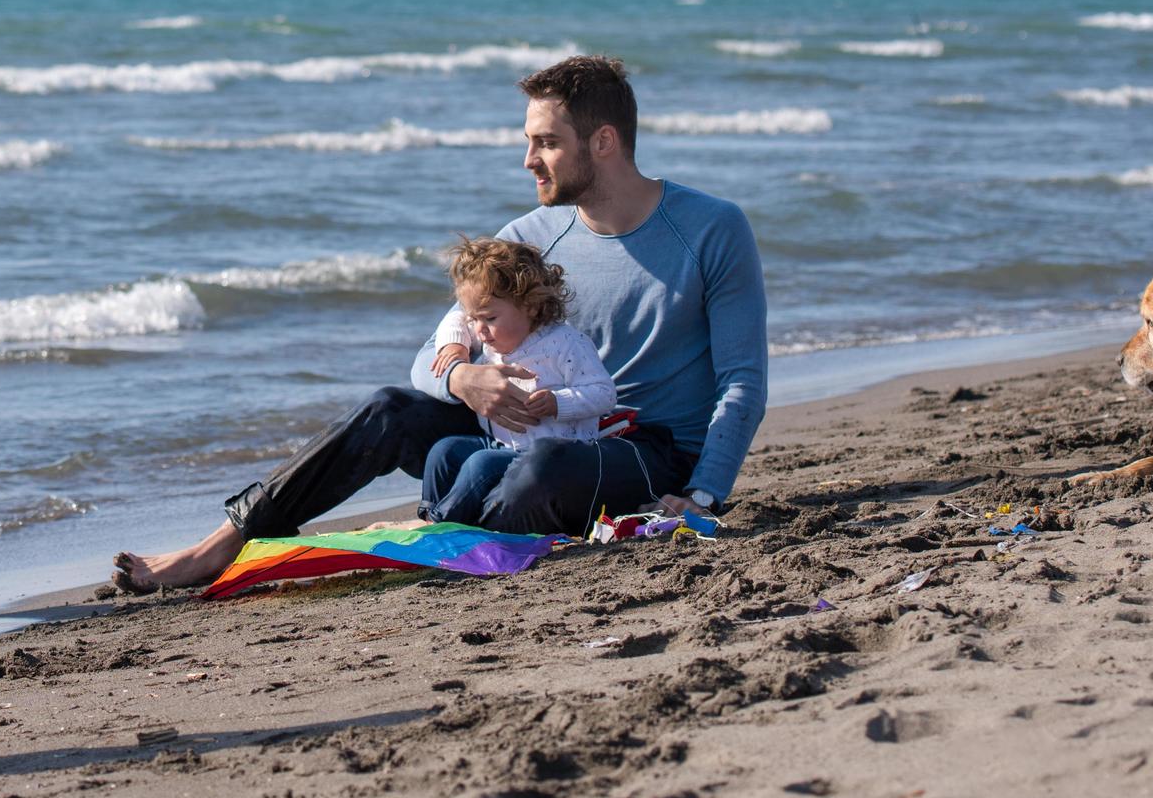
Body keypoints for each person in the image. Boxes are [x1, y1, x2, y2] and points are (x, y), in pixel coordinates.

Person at [114, 55, 768, 592]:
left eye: (545, 142)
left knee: (538, 473)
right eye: (527, 141)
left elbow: (740, 380)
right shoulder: (529, 238)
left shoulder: (710, 228)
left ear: (602, 142)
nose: (527, 160)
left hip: (639, 449)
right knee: (387, 411)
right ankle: (225, 542)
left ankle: (456, 524)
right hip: (515, 430)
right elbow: (433, 347)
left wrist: (703, 497)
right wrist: (462, 380)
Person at [419, 237, 621, 526]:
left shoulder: (566, 344)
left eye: (488, 318)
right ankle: (430, 515)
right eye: (475, 318)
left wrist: (557, 402)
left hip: (551, 456)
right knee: (445, 451)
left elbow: (604, 393)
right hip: (502, 445)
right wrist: (454, 346)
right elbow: (457, 321)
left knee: (480, 464)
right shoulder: (493, 331)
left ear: (531, 307)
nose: (480, 330)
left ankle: (444, 526)